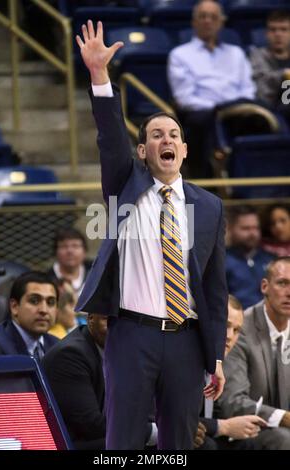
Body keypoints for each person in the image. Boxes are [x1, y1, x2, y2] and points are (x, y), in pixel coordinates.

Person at [75, 20, 228, 450]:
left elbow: (216, 289)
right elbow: (109, 137)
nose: (167, 140)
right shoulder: (126, 185)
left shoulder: (210, 206)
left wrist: (215, 355)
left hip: (187, 339)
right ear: (143, 151)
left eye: (174, 135)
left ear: (184, 149)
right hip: (133, 335)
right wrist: (100, 76)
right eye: (156, 135)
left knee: (179, 442)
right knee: (122, 441)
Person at [167, 0, 255, 177]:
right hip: (202, 113)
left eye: (213, 17)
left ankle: (254, 180)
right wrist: (217, 109)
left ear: (221, 22)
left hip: (238, 111)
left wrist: (233, 108)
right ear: (194, 22)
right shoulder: (180, 54)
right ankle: (207, 182)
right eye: (203, 16)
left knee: (262, 119)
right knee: (201, 123)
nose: (208, 21)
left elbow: (248, 90)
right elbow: (185, 98)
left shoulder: (236, 53)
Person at [217, 257, 290, 450]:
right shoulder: (240, 330)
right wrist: (282, 417)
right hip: (243, 431)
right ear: (264, 286)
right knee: (284, 439)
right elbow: (233, 401)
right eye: (283, 283)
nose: (289, 293)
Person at [198, 295, 267, 450]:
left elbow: (212, 413)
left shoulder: (221, 366)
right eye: (225, 325)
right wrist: (226, 426)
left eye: (236, 330)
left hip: (206, 433)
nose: (229, 336)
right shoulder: (187, 364)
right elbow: (180, 419)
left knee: (248, 443)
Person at [43, 313, 107, 449]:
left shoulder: (124, 350)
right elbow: (92, 425)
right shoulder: (70, 355)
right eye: (107, 319)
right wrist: (147, 431)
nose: (117, 328)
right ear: (91, 318)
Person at [0, 272, 58, 358]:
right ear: (14, 307)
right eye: (34, 301)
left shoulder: (58, 346)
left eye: (50, 302)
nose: (44, 310)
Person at [226, 205, 275, 309]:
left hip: (270, 318)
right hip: (237, 320)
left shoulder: (271, 259)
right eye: (246, 228)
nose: (253, 233)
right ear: (230, 229)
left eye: (256, 228)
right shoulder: (220, 261)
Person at [250, 10, 290, 119]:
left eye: (284, 30)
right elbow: (262, 90)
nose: (278, 34)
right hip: (271, 110)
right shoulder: (257, 56)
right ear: (266, 34)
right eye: (273, 30)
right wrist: (283, 75)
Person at [47, 227, 92, 297]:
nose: (70, 251)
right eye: (64, 246)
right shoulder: (47, 279)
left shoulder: (95, 274)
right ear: (55, 252)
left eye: (75, 246)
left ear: (84, 251)